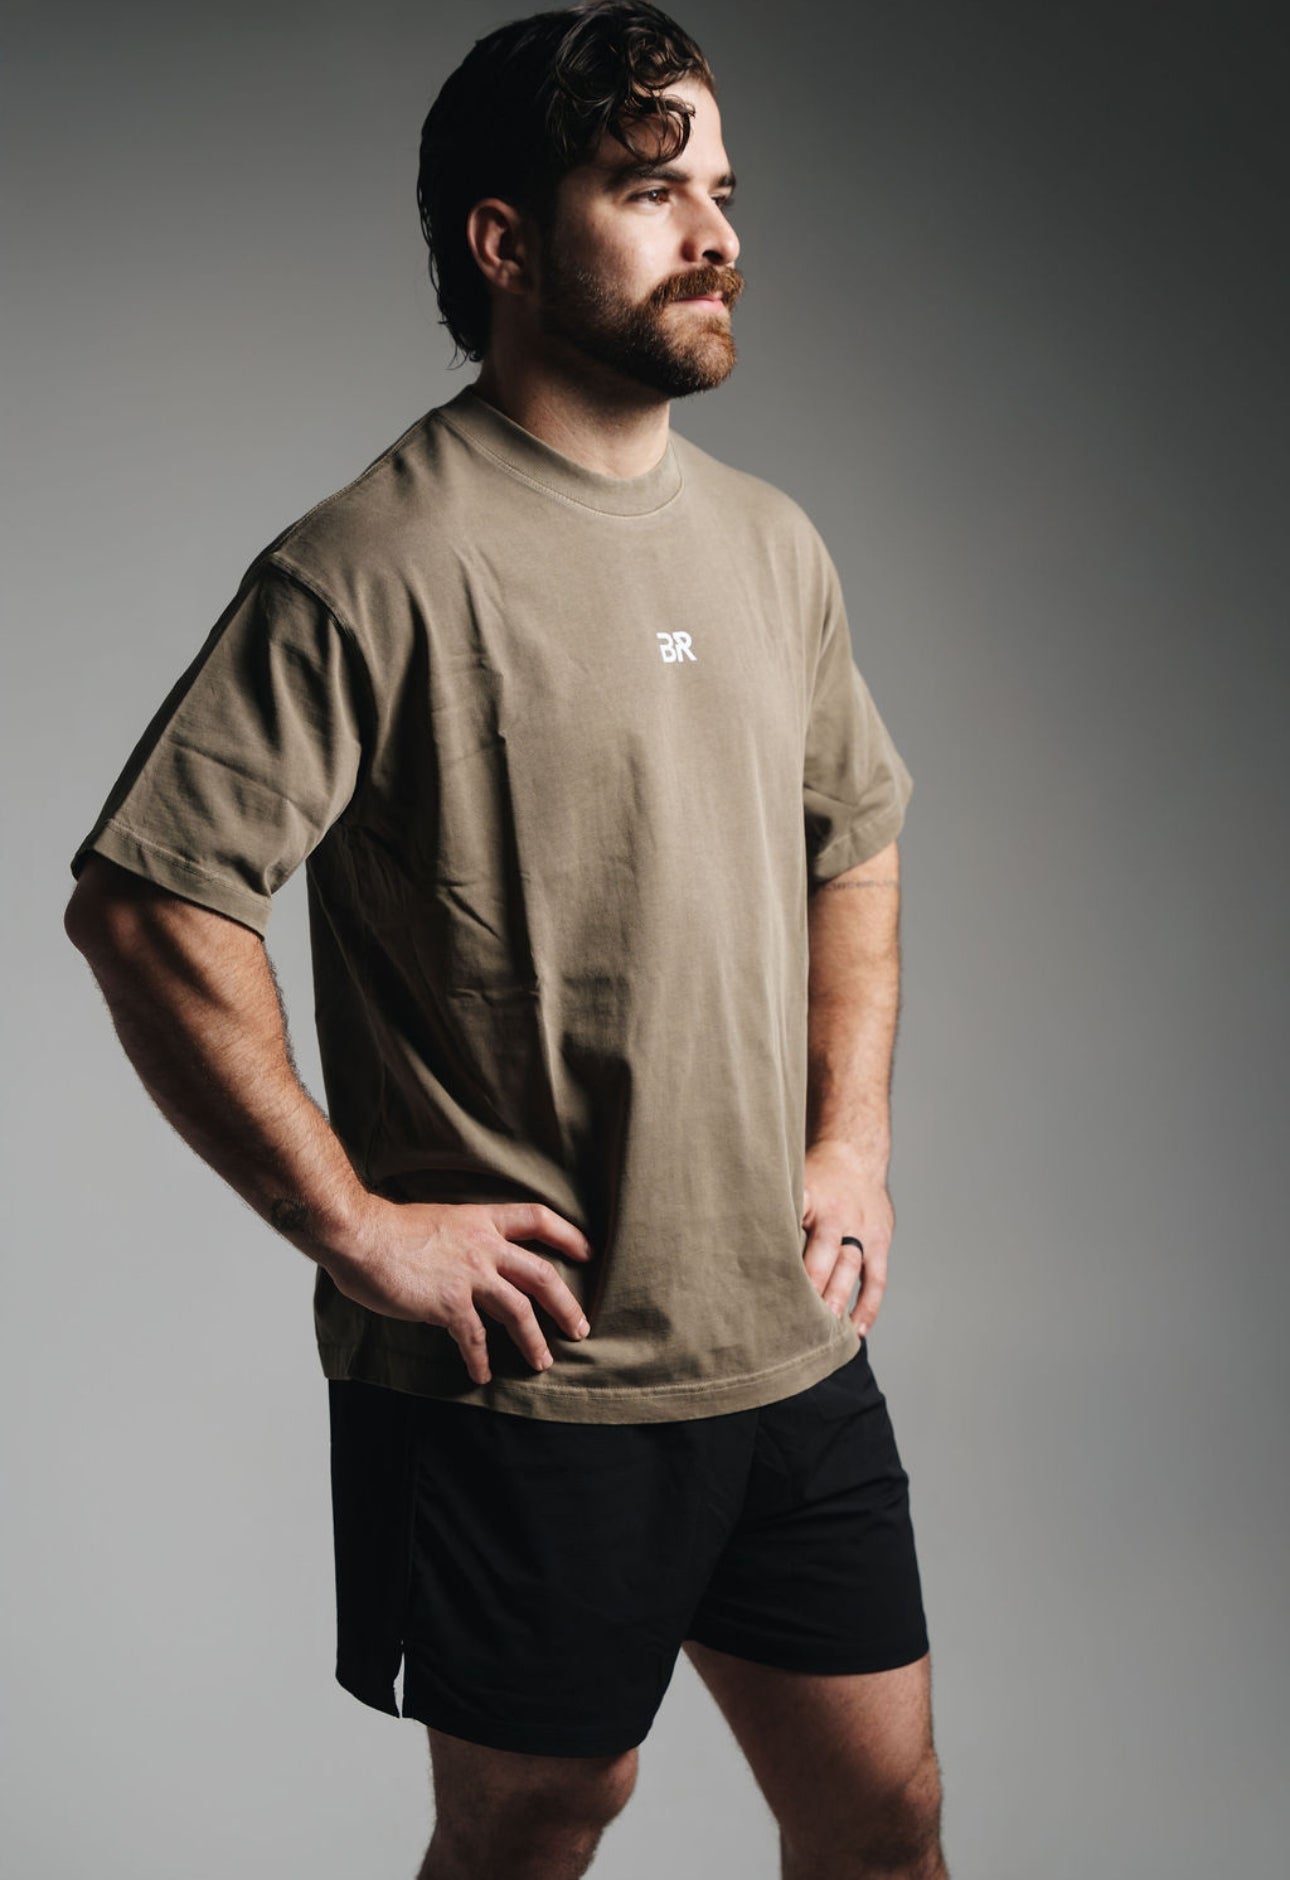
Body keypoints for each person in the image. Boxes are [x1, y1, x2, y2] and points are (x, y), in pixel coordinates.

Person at [63, 3, 949, 1875]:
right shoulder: (369, 563)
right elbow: (148, 906)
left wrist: (852, 1139)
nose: (713, 233)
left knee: (883, 1817)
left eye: (720, 191)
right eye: (647, 190)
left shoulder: (771, 545)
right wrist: (352, 1224)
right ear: (504, 242)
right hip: (526, 1379)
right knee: (542, 1819)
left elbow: (853, 839)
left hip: (783, 1347)